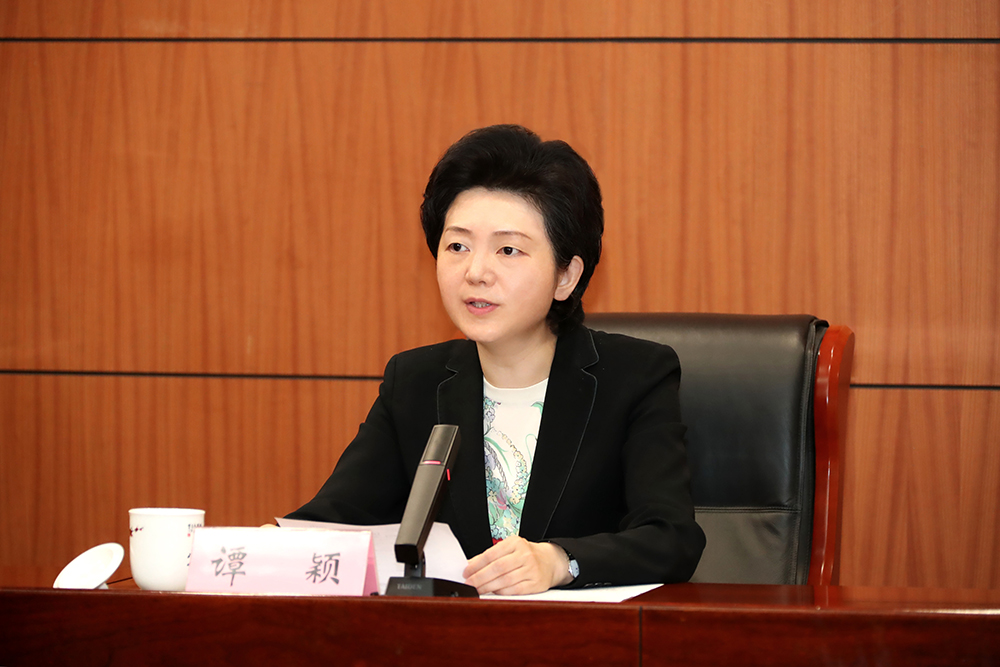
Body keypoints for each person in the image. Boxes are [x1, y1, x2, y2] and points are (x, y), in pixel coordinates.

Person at [287, 124, 705, 594]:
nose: (476, 272)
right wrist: (263, 546)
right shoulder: (415, 381)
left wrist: (560, 560)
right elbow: (334, 521)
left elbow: (671, 538)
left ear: (566, 276)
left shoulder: (634, 376)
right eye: (457, 246)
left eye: (508, 249)